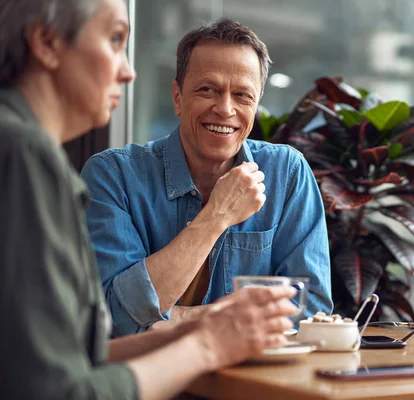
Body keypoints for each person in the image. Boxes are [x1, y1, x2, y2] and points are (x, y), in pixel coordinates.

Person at [0, 1, 298, 399]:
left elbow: (79, 357)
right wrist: (207, 345)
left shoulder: (26, 150)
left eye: (243, 94)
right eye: (115, 39)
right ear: (47, 42)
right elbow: (59, 390)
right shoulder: (24, 153)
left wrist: (199, 327)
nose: (128, 71)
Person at [81, 18, 333, 336]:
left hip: (256, 381)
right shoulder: (113, 175)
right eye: (207, 90)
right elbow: (115, 317)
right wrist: (217, 216)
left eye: (243, 95)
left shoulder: (287, 173)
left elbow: (310, 310)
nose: (225, 109)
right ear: (177, 97)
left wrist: (176, 319)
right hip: (151, 382)